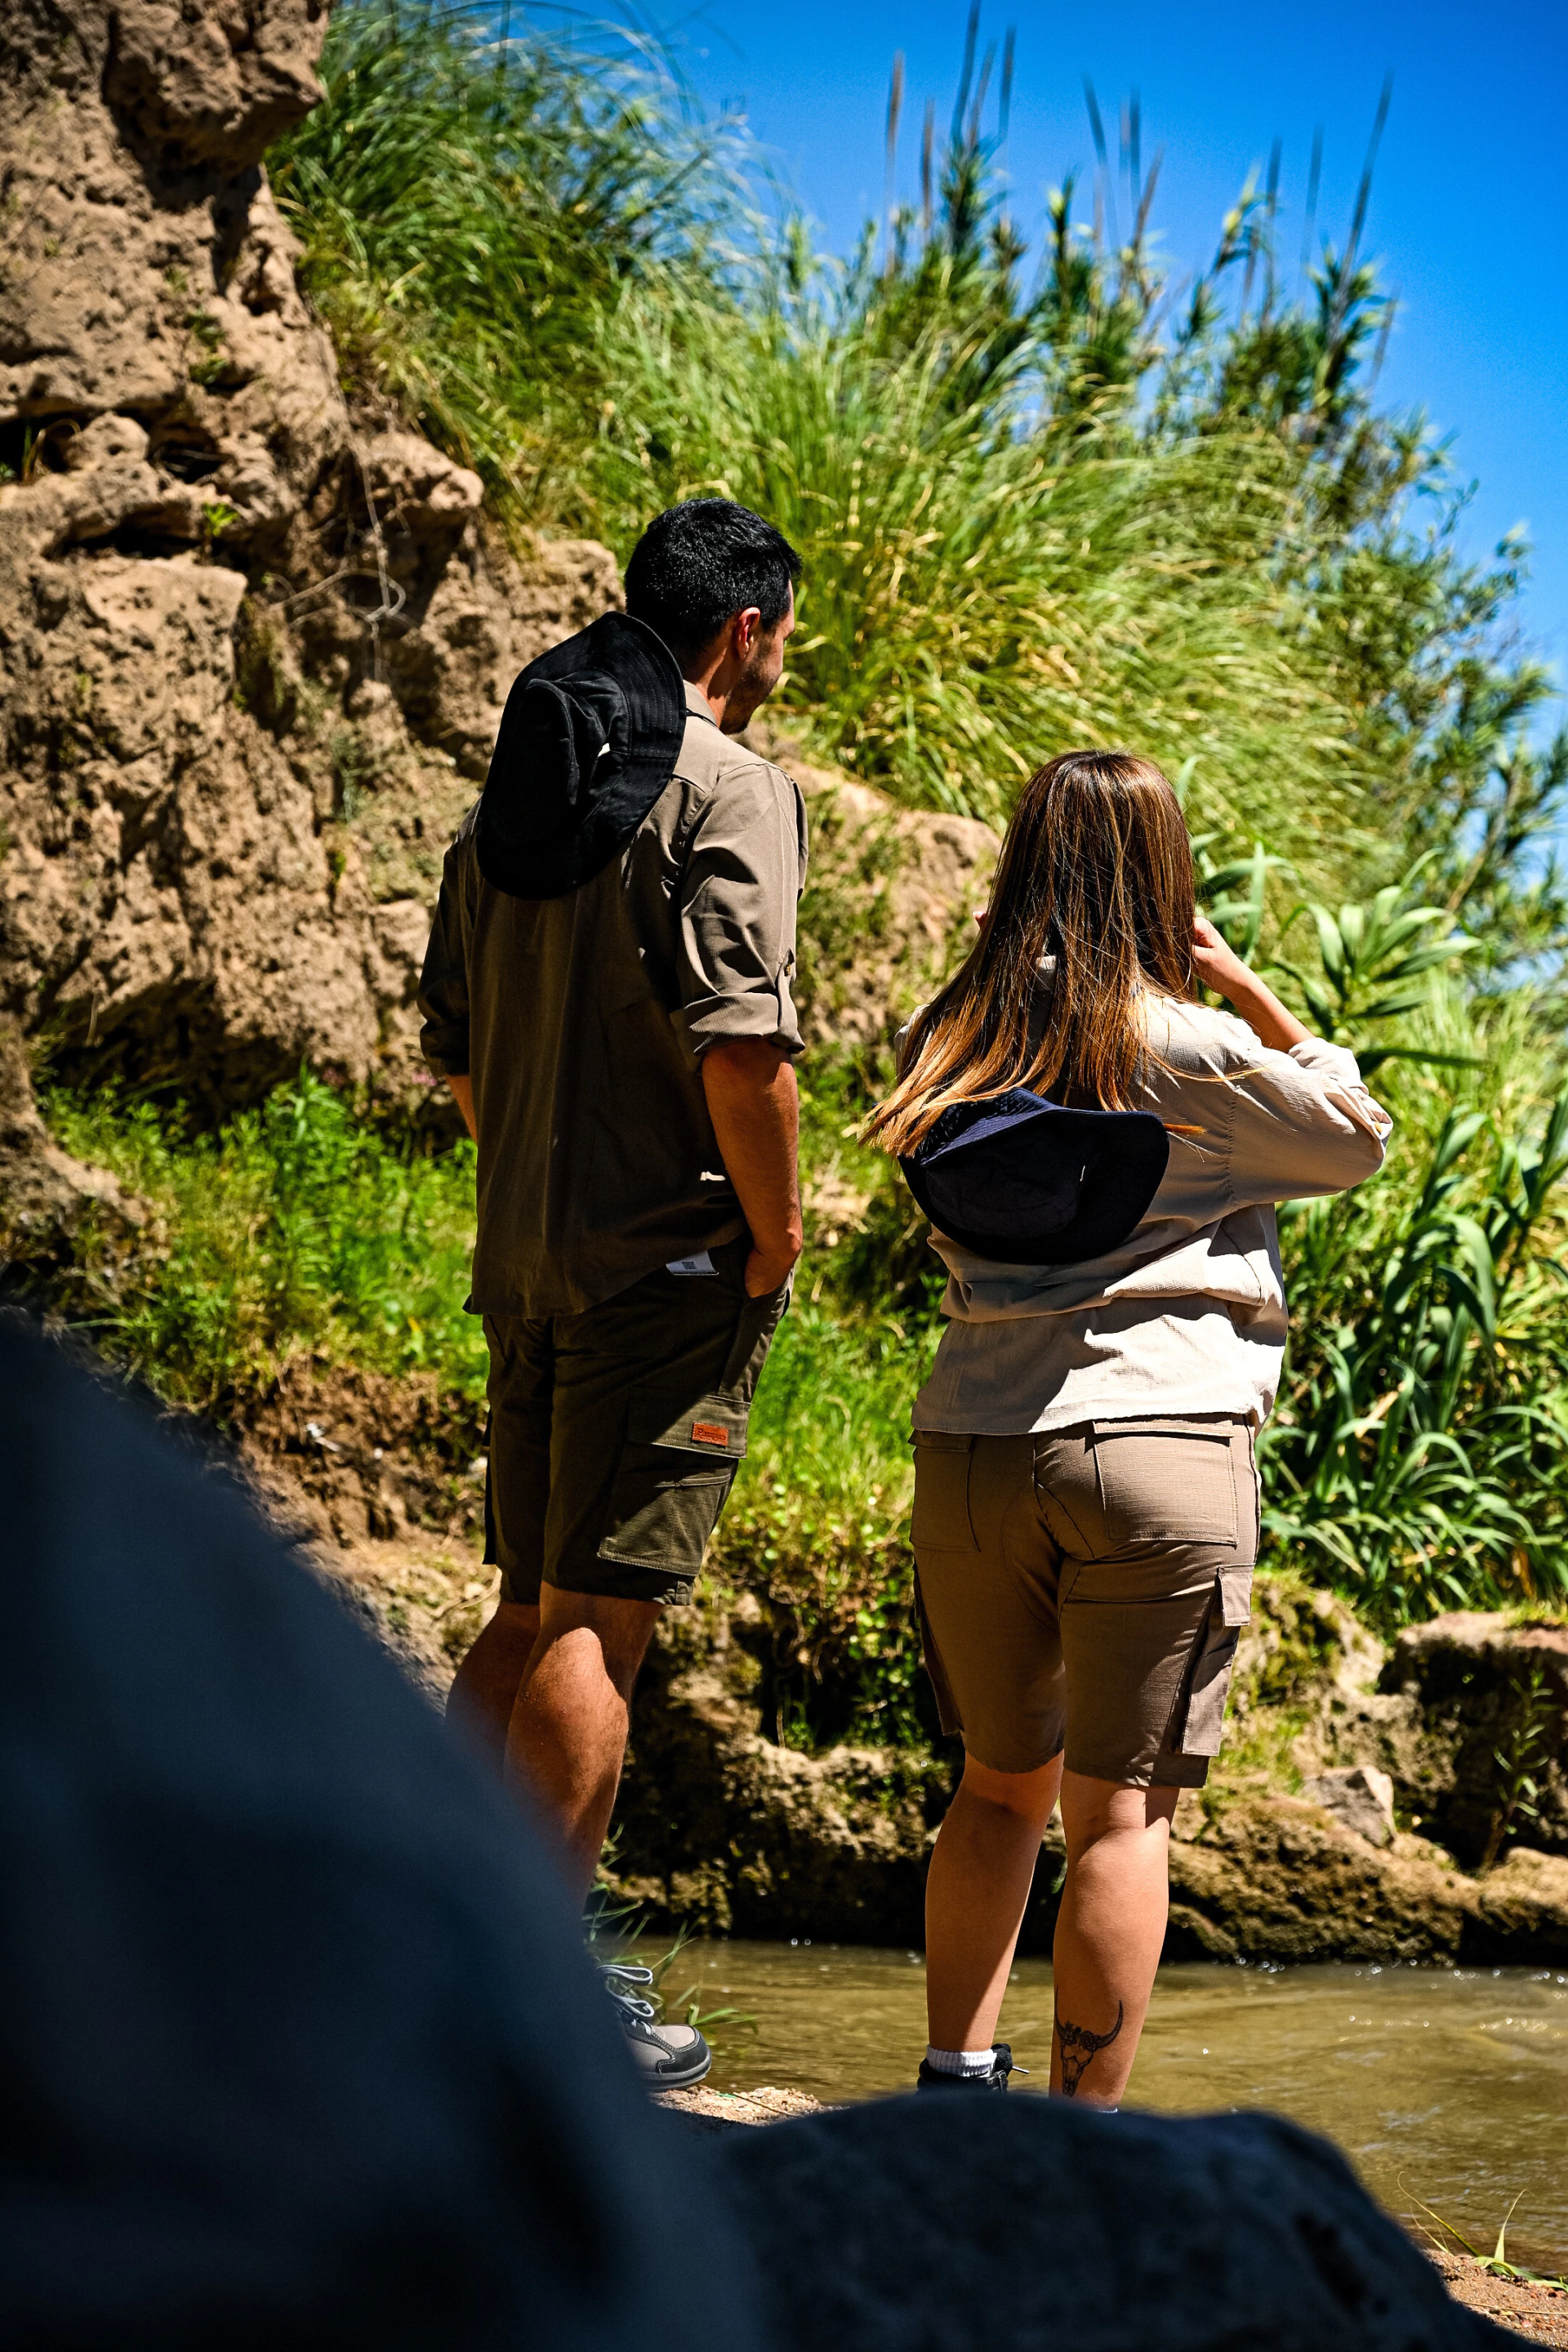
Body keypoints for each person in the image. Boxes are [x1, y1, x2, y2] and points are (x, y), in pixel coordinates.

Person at [865, 750, 1392, 2105]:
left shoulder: (949, 1045)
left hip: (974, 1450)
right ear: (1166, 880)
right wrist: (1247, 990)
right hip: (1160, 1446)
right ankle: (1077, 2148)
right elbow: (1357, 1141)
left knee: (995, 1788)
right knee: (1121, 1817)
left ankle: (954, 2087)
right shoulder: (1192, 1051)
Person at [417, 499, 808, 2089]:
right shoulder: (732, 788)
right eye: (786, 636)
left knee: (522, 1606)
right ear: (743, 633)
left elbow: (454, 1055)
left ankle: (435, 1949)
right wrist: (770, 1244)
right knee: (602, 1622)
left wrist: (534, 1184)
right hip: (667, 1270)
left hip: (521, 1256)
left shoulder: (515, 794)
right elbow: (746, 1052)